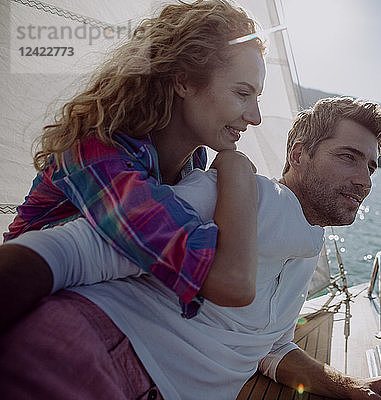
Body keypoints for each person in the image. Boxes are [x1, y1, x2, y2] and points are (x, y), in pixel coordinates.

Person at [0, 97, 381, 400]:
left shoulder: (308, 242)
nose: (365, 180)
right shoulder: (241, 193)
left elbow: (270, 348)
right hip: (91, 356)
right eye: (348, 157)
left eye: (371, 166)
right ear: (299, 155)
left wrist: (351, 387)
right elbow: (79, 250)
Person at [0, 0, 267, 328]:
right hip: (25, 305)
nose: (255, 117)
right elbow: (233, 281)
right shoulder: (96, 148)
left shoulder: (192, 160)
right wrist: (235, 167)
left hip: (103, 303)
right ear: (183, 81)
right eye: (242, 93)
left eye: (257, 98)